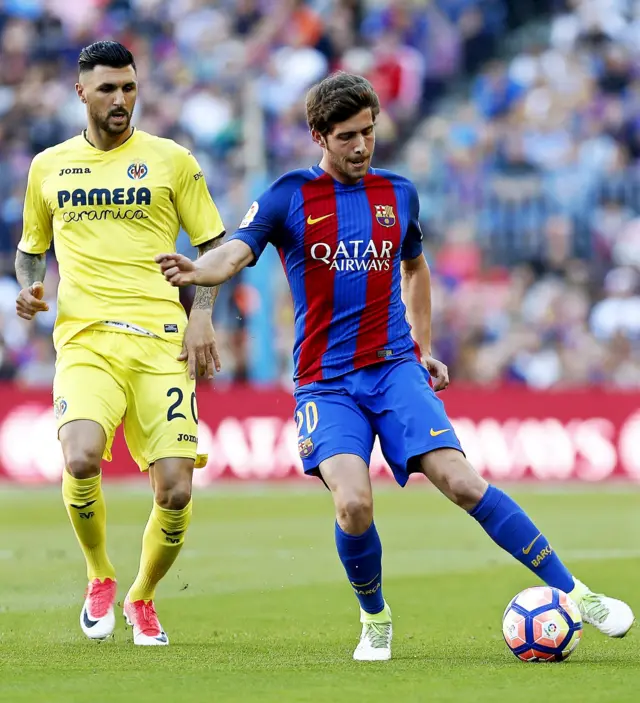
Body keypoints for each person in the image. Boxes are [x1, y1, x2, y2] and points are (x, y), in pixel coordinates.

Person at [155, 72, 634, 661]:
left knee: (462, 481)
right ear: (319, 136)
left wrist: (423, 346)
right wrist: (204, 271)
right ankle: (375, 618)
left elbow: (416, 267)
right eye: (348, 136)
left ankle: (577, 595)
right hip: (327, 384)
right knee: (353, 503)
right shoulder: (288, 195)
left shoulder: (398, 193)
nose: (361, 146)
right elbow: (238, 248)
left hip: (392, 369)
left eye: (369, 132)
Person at [15, 41, 225, 646]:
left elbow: (210, 246)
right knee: (79, 456)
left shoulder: (171, 160)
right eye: (108, 89)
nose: (121, 100)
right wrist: (29, 291)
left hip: (162, 343)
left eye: (129, 87)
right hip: (86, 340)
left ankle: (141, 596)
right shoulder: (48, 166)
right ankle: (99, 575)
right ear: (81, 92)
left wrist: (202, 317)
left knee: (177, 490)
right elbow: (32, 250)